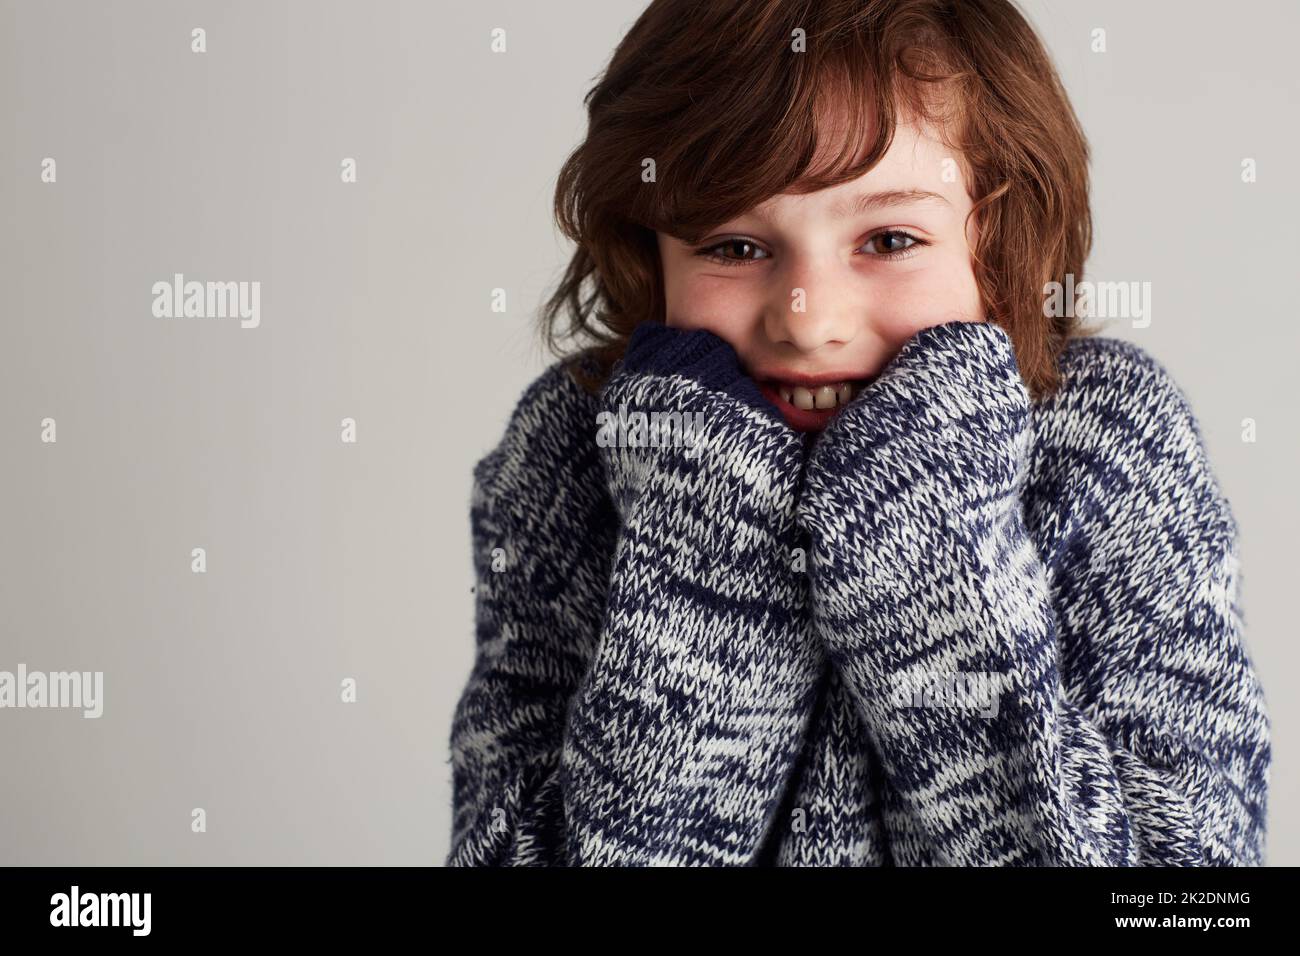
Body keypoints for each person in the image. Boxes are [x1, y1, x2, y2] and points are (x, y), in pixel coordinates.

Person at [445, 0, 1271, 866]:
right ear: (649, 250)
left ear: (996, 235)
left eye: (888, 237)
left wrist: (922, 558)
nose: (808, 321)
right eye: (732, 246)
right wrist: (711, 565)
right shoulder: (569, 453)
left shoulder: (1107, 443)